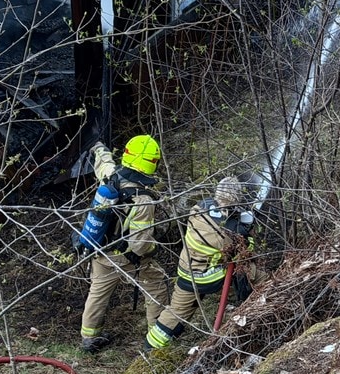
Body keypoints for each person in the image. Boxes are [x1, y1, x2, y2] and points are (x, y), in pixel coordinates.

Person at [76, 134, 170, 353]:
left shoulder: (111, 176)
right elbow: (141, 242)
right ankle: (158, 335)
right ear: (151, 163)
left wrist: (98, 147)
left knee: (98, 292)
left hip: (101, 250)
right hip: (126, 257)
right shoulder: (143, 199)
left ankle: (89, 338)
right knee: (156, 285)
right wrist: (146, 254)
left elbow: (104, 161)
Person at [144, 175, 255, 351]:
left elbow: (218, 218)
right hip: (208, 277)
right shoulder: (228, 230)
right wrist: (246, 233)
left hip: (186, 269)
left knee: (177, 311)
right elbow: (241, 249)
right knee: (252, 272)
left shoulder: (200, 208)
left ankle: (151, 346)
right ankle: (256, 303)